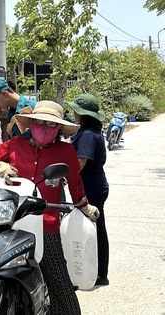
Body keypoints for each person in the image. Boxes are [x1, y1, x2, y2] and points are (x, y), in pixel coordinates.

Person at [0, 100, 100, 315]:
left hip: (46, 224)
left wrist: (84, 206)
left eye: (49, 124)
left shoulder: (66, 151)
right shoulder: (15, 144)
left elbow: (75, 184)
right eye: (39, 122)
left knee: (59, 283)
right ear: (31, 123)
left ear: (59, 129)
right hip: (10, 222)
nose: (43, 128)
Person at [68, 93, 110, 286]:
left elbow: (80, 163)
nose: (74, 113)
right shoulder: (89, 131)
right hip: (96, 185)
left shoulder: (86, 135)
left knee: (95, 230)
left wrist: (63, 177)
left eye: (76, 110)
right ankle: (98, 272)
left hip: (91, 188)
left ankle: (100, 273)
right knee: (95, 229)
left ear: (83, 114)